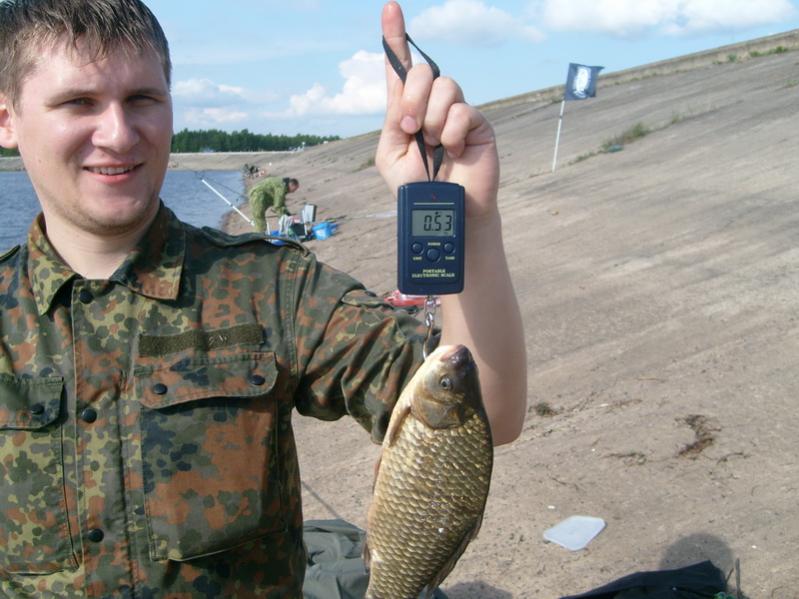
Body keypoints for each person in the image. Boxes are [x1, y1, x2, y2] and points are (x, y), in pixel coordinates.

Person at [0, 0, 526, 596]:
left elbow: (485, 415)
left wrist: (467, 220)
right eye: (79, 102)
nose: (119, 133)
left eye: (142, 99)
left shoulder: (273, 286)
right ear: (7, 120)